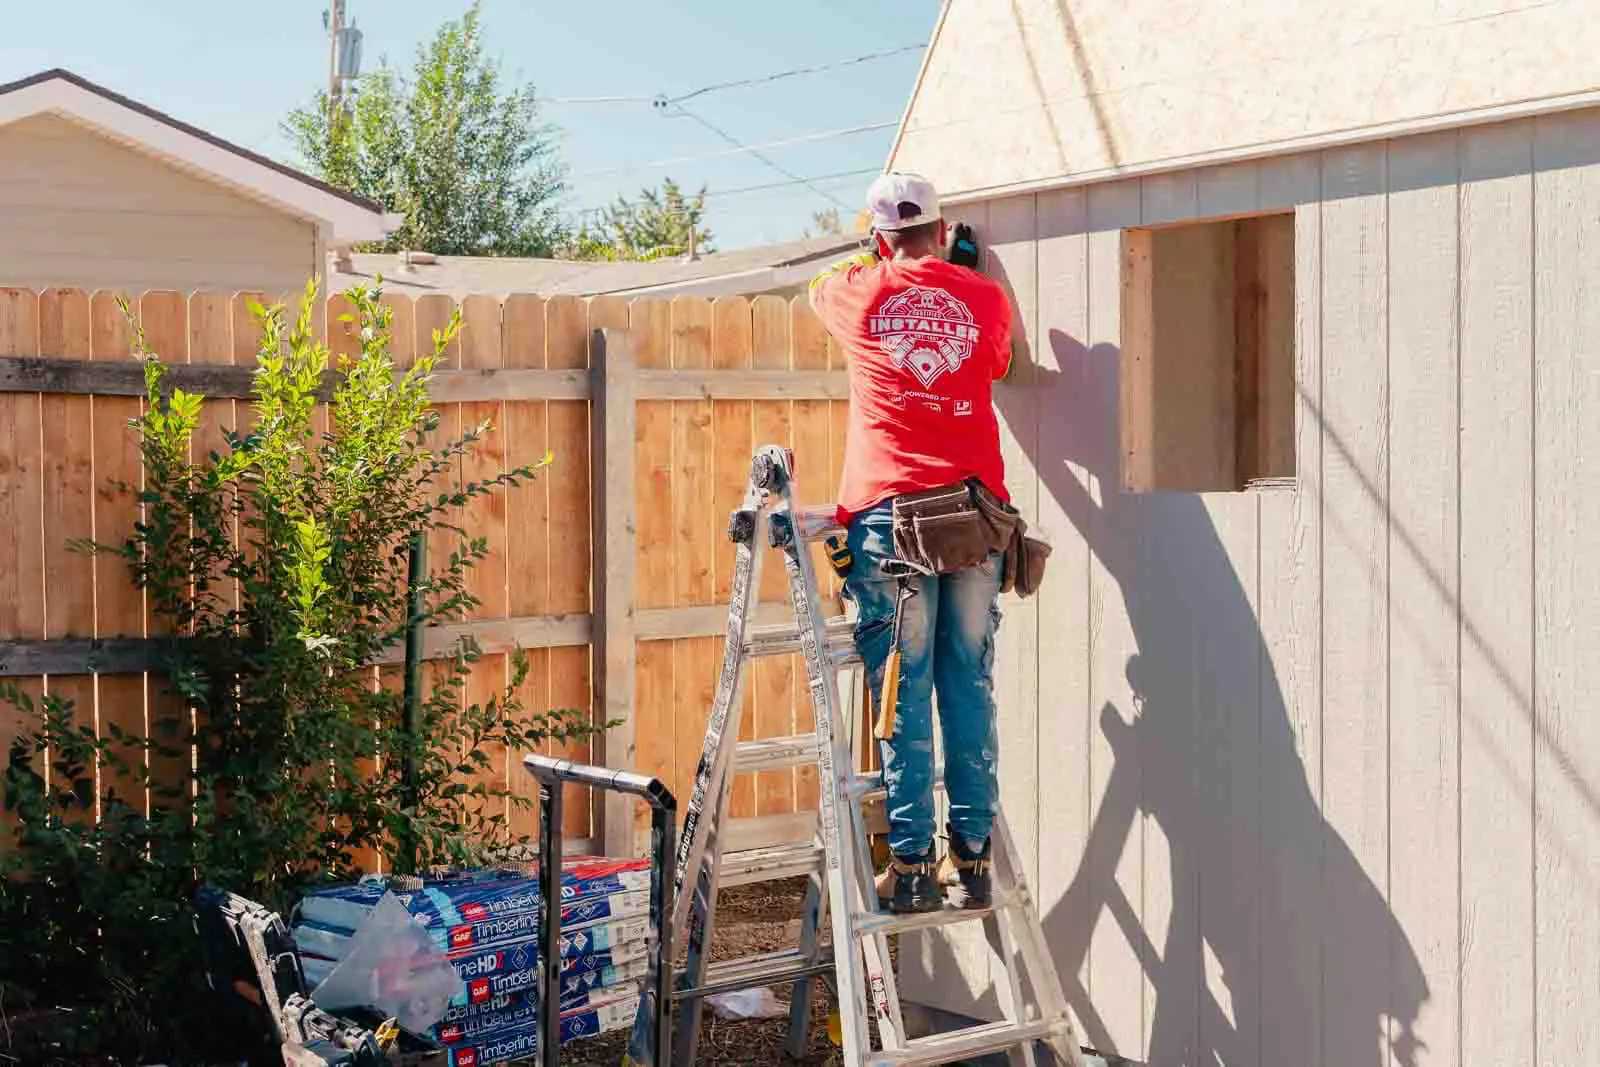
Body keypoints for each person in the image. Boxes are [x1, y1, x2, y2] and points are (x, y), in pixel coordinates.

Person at [808, 172, 1015, 914]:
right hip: (972, 518)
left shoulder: (857, 293)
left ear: (877, 235)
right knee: (968, 682)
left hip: (891, 518)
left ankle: (914, 864)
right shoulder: (985, 297)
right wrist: (959, 269)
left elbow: (819, 282)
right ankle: (974, 855)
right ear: (943, 227)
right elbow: (1000, 363)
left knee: (904, 688)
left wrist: (880, 263)